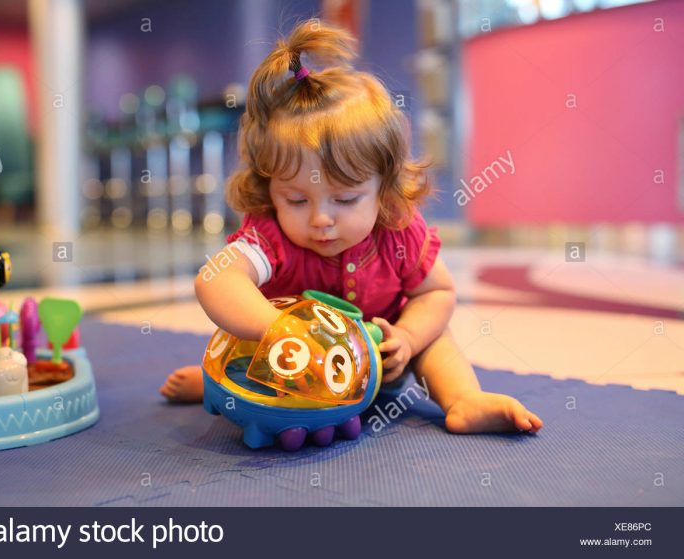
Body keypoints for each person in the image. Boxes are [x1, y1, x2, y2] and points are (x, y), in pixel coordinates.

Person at [161, 20, 543, 434]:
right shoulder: (269, 236)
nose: (320, 219)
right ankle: (224, 385)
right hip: (290, 365)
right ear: (268, 189)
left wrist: (410, 337)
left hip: (380, 360)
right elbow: (214, 280)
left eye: (345, 200)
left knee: (436, 339)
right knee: (240, 335)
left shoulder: (398, 230)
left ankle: (465, 400)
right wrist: (276, 331)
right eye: (296, 199)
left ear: (385, 190)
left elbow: (438, 292)